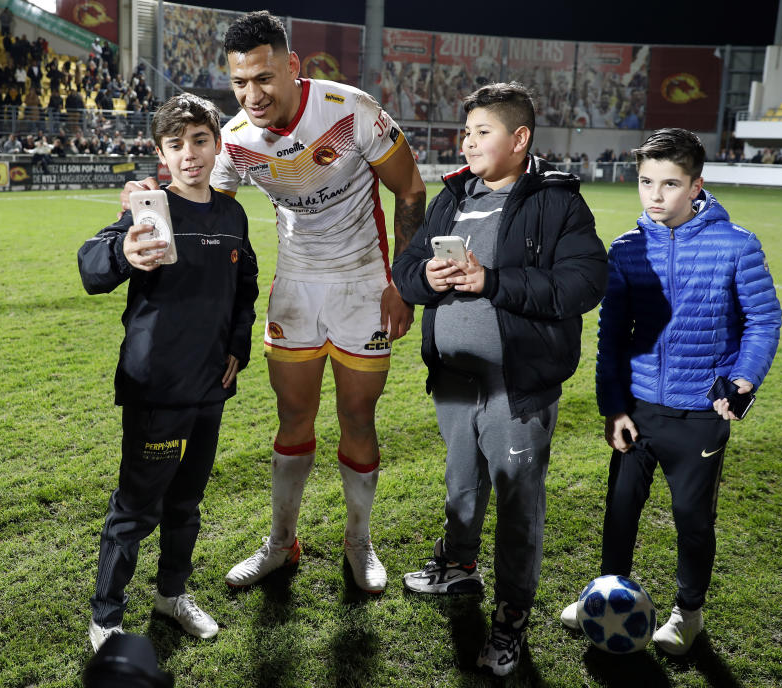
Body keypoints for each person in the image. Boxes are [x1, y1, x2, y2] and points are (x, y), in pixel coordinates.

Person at [123, 10, 426, 595]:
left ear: (291, 66)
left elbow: (410, 190)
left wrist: (403, 284)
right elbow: (200, 202)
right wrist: (147, 199)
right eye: (239, 83)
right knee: (292, 421)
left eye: (263, 78)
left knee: (358, 418)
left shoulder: (349, 110)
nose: (251, 95)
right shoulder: (235, 140)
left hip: (365, 284)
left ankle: (358, 544)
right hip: (294, 287)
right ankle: (282, 543)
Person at [392, 82, 607, 676]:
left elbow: (583, 285)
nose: (469, 141)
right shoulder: (454, 194)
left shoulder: (558, 202)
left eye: (482, 131)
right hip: (455, 381)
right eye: (467, 132)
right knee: (461, 484)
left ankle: (511, 618)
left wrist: (493, 282)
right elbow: (405, 269)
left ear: (520, 139)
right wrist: (426, 280)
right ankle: (459, 568)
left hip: (518, 385)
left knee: (517, 503)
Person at [559, 128, 782, 655]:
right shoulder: (628, 249)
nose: (655, 196)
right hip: (637, 409)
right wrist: (613, 407)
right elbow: (610, 336)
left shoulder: (737, 245)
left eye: (669, 184)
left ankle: (689, 613)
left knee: (691, 517)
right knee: (619, 510)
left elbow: (764, 320)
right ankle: (608, 597)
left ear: (696, 185)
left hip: (701, 414)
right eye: (645, 182)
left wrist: (745, 379)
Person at [78, 93, 259, 652]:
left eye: (199, 141)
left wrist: (238, 345)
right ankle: (106, 617)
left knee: (186, 504)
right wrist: (125, 254)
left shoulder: (232, 214)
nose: (190, 155)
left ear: (217, 143)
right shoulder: (148, 209)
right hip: (157, 387)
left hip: (211, 385)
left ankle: (171, 595)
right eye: (176, 144)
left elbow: (245, 289)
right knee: (136, 509)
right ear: (161, 152)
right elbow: (92, 268)